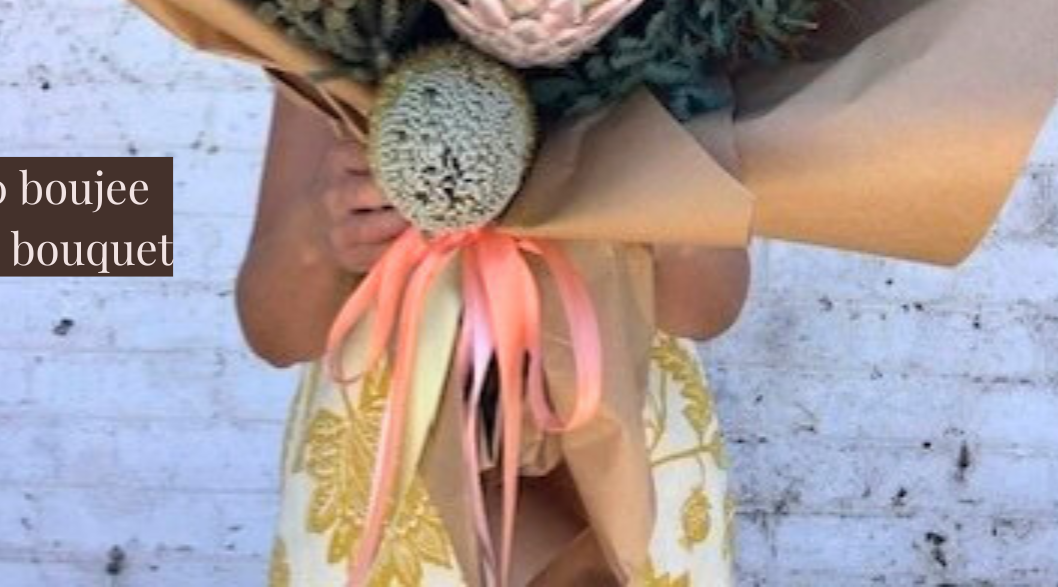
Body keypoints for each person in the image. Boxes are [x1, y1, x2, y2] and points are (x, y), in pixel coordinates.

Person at [238, 86, 750, 586]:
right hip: (388, 488)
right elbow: (275, 333)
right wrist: (321, 231)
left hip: (625, 461)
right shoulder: (341, 22)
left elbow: (707, 308)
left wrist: (668, 194)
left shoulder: (674, 28)